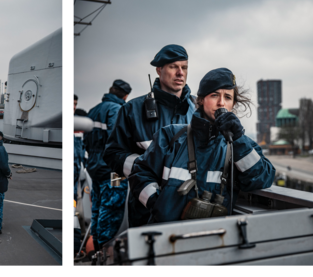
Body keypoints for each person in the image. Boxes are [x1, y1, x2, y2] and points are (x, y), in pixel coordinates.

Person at [131, 68, 275, 223]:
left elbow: (262, 179)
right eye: (214, 95)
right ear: (200, 100)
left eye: (227, 97)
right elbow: (140, 173)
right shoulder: (171, 136)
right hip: (167, 235)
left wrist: (238, 139)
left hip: (215, 237)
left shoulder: (241, 145)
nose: (221, 103)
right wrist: (156, 203)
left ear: (233, 104)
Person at [104, 44, 197, 228]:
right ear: (159, 69)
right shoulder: (132, 110)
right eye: (173, 67)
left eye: (184, 67)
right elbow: (113, 154)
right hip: (146, 207)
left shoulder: (198, 111)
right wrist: (147, 177)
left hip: (190, 205)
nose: (180, 73)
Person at [84, 80, 130, 249]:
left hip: (95, 168)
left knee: (97, 206)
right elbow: (117, 140)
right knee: (111, 208)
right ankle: (104, 249)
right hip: (113, 171)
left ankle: (95, 244)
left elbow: (86, 141)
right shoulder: (117, 109)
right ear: (125, 96)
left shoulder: (93, 110)